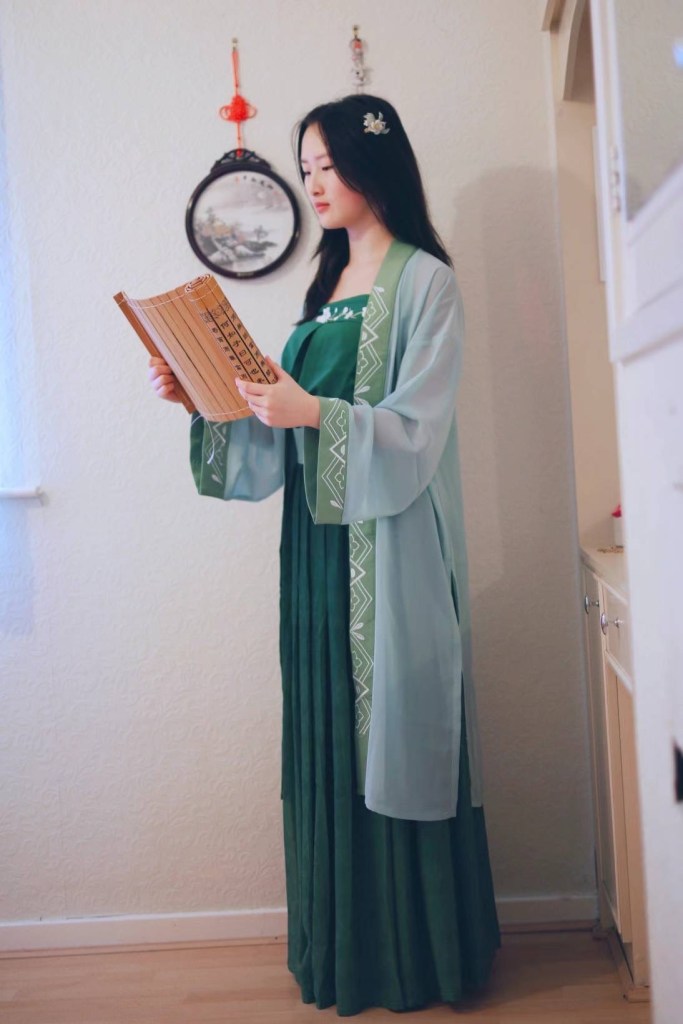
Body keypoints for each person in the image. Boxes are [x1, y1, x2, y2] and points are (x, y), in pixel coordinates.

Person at [149, 93, 502, 1016]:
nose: (313, 183)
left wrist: (314, 412)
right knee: (326, 734)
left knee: (396, 733)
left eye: (326, 165)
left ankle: (414, 960)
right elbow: (283, 435)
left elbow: (418, 431)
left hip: (390, 549)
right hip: (314, 553)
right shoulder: (326, 286)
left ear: (373, 164)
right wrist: (200, 396)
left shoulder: (426, 282)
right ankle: (343, 952)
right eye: (304, 168)